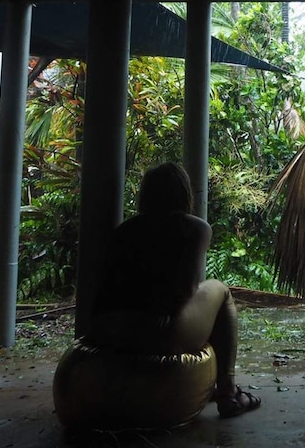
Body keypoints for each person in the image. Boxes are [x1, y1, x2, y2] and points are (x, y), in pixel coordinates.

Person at [89, 162, 260, 418]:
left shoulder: (124, 231)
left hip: (108, 331)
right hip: (157, 332)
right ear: (184, 193)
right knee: (219, 290)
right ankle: (227, 391)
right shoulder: (195, 227)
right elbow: (185, 292)